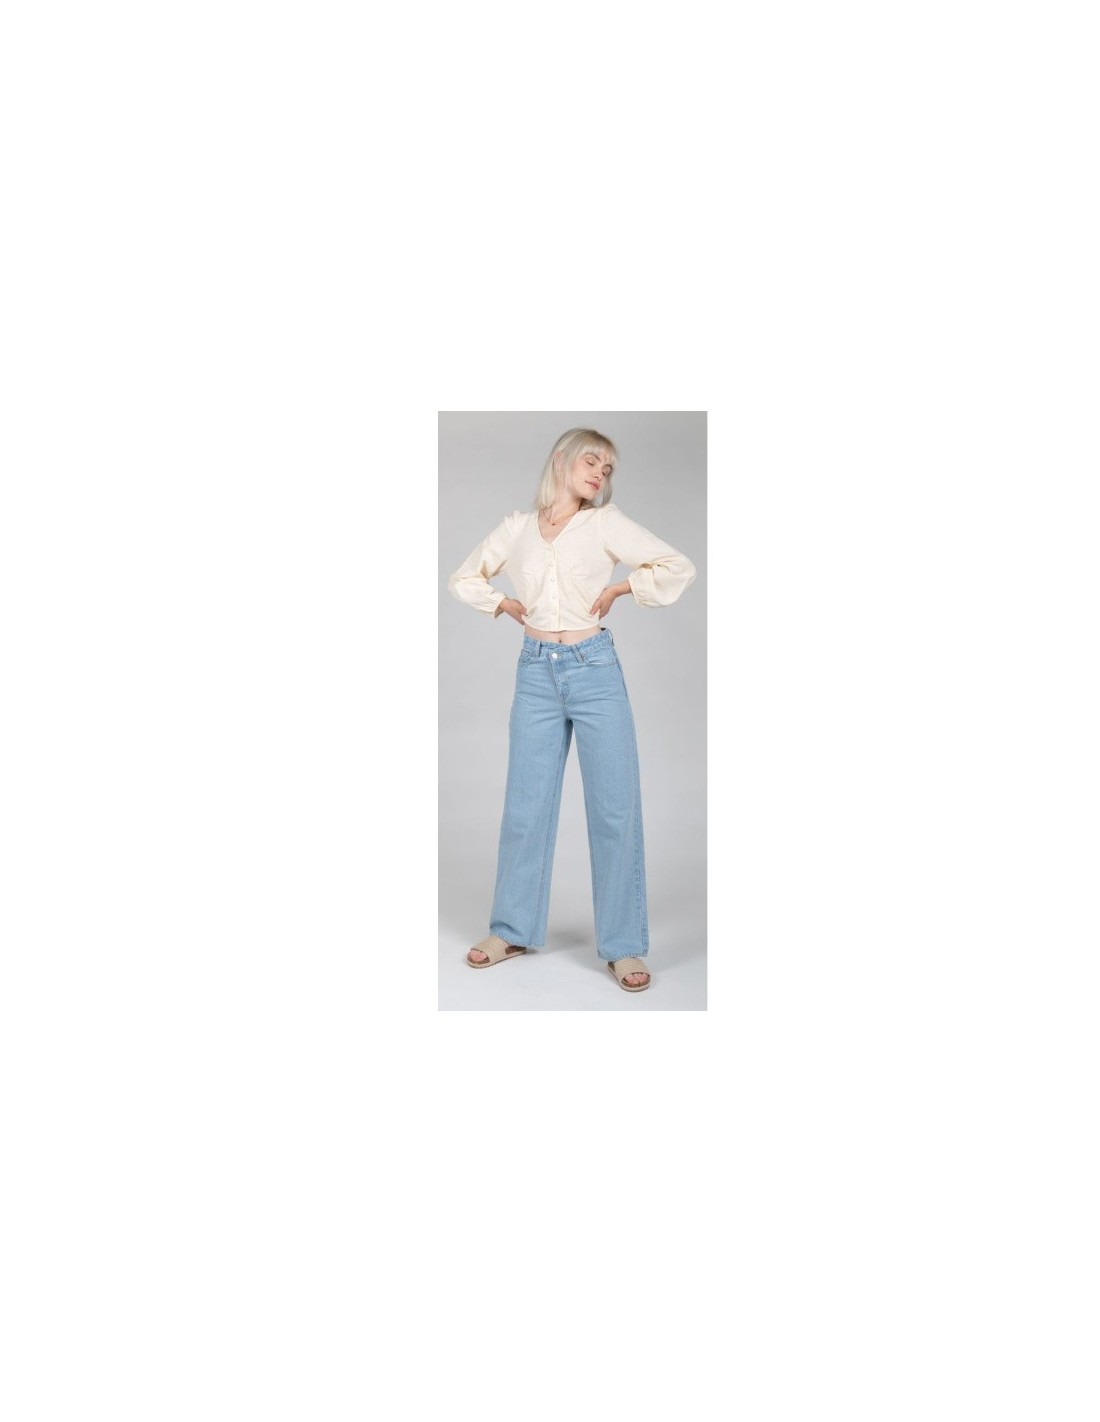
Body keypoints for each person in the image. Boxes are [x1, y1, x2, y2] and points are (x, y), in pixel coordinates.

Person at [447, 427, 696, 993]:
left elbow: (675, 565)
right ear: (561, 460)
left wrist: (620, 590)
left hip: (594, 670)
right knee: (525, 807)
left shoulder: (605, 523)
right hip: (535, 672)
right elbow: (464, 577)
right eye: (591, 462)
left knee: (614, 808)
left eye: (607, 470)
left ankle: (623, 945)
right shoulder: (517, 529)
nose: (600, 475)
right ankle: (512, 929)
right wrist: (503, 603)